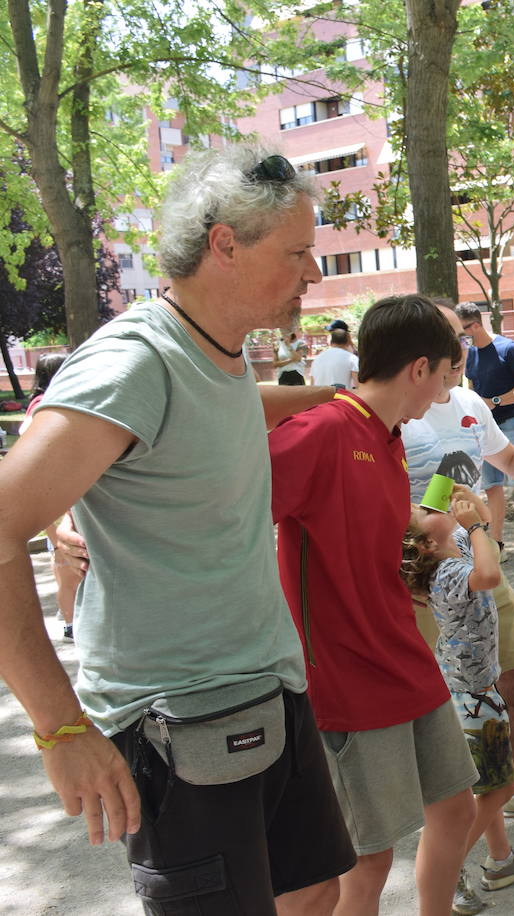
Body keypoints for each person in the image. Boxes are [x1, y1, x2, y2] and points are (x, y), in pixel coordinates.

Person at [0, 142, 354, 913]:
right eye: (298, 253)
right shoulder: (134, 363)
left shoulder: (221, 355)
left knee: (316, 892)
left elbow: (212, 415)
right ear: (224, 243)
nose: (313, 273)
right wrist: (61, 733)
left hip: (270, 686)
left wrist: (337, 402)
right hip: (176, 721)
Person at [269, 294, 480, 916]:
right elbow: (227, 510)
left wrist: (425, 523)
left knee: (457, 806)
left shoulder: (384, 436)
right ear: (419, 369)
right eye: (444, 376)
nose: (445, 393)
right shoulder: (323, 429)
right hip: (345, 676)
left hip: (405, 656)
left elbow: (364, 522)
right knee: (366, 857)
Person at [402, 312, 514, 824]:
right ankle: (454, 818)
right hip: (428, 580)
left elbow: (506, 458)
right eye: (448, 336)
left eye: (461, 334)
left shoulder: (468, 400)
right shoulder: (394, 414)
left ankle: (511, 786)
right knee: (448, 700)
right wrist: (454, 505)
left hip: (479, 563)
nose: (460, 346)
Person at [401, 484, 514, 916]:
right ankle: (450, 870)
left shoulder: (456, 546)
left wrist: (472, 503)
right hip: (472, 701)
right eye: (422, 511)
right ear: (428, 542)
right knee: (501, 786)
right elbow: (488, 575)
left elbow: (492, 549)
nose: (429, 504)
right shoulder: (445, 573)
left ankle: (499, 861)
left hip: (478, 693)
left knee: (488, 783)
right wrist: (478, 523)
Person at [457, 303, 514, 573]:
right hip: (483, 431)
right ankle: (497, 545)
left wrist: (495, 401)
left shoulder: (508, 349)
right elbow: (471, 389)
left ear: (475, 326)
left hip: (510, 425)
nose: (461, 339)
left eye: (463, 333)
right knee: (492, 488)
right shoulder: (470, 355)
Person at [19, 354, 79, 641]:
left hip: (49, 493)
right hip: (56, 493)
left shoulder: (37, 405)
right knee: (66, 560)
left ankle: (68, 616)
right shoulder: (47, 407)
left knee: (61, 558)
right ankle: (70, 619)